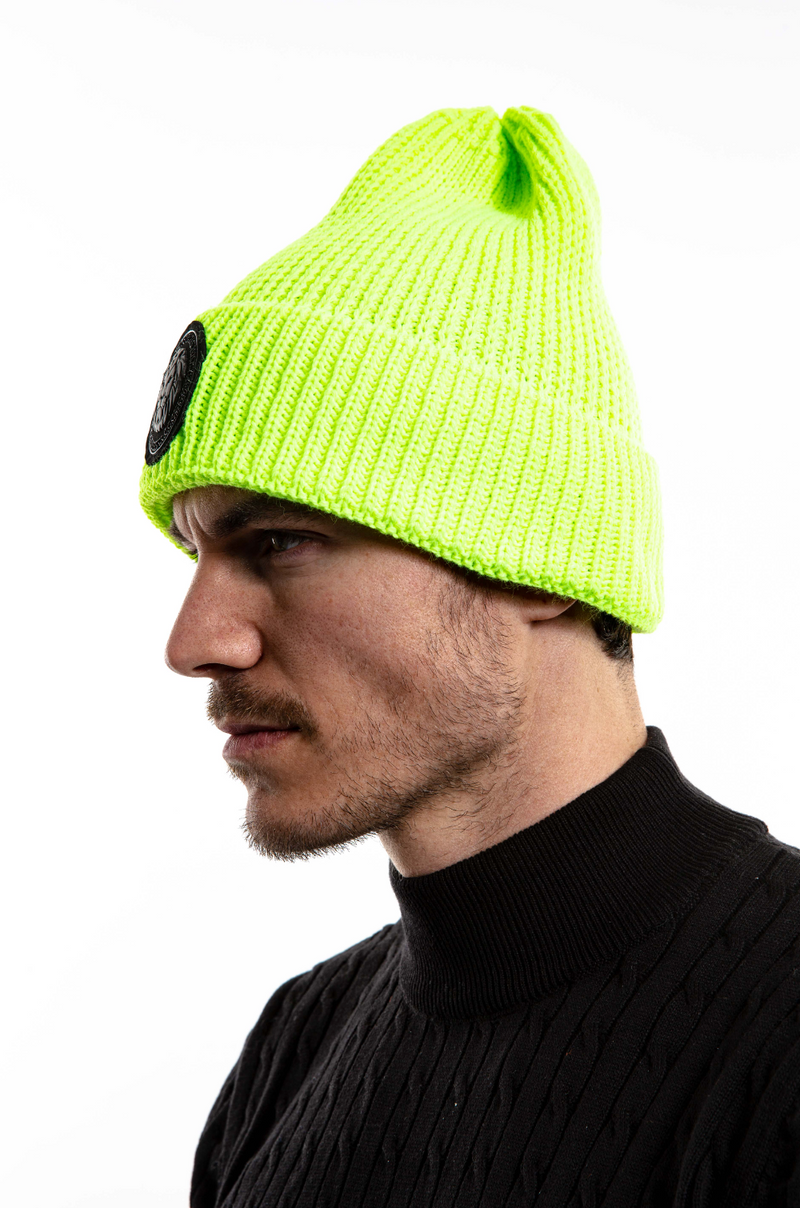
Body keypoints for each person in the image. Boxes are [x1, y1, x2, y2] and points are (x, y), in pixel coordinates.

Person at [140, 107, 800, 1207]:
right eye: (196, 550)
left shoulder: (774, 1029)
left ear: (540, 561)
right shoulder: (294, 1049)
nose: (196, 641)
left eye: (282, 542)